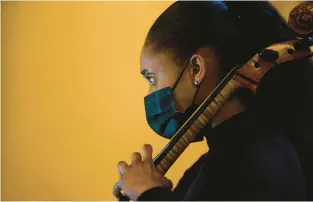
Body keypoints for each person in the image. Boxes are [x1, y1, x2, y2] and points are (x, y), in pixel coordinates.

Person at [113, 1, 313, 200]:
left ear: (196, 70)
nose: (150, 92)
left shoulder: (256, 158)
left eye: (152, 78)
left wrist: (149, 193)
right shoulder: (216, 162)